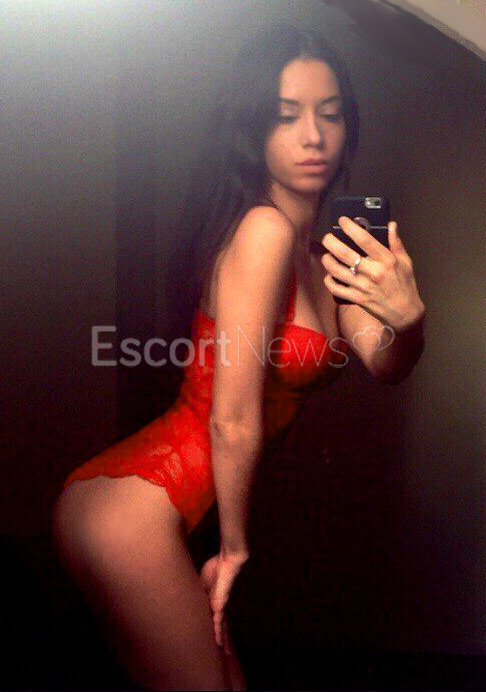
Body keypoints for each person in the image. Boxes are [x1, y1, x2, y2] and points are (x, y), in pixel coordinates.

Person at [52, 22, 426, 691]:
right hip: (131, 511)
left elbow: (385, 363)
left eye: (330, 114)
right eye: (286, 116)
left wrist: (409, 320)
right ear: (254, 129)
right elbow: (231, 418)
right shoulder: (263, 229)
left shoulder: (326, 251)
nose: (313, 136)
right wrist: (234, 550)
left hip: (139, 510)